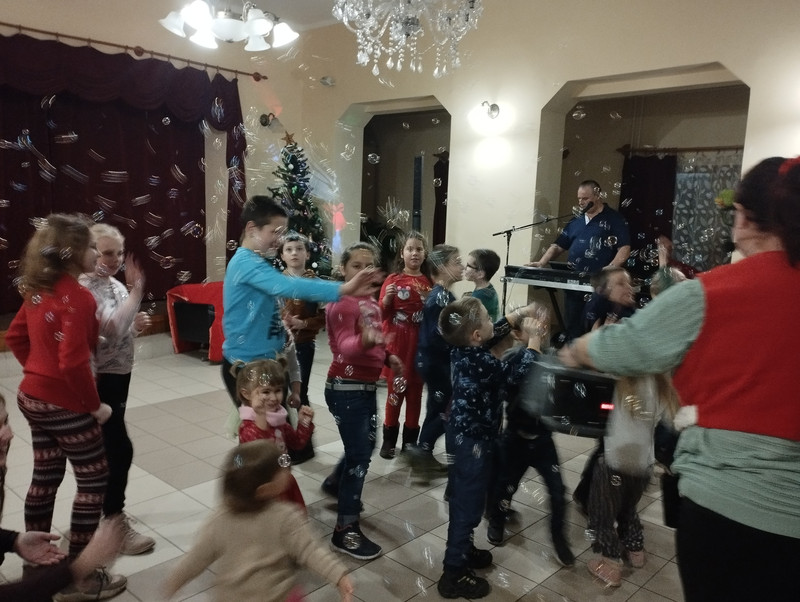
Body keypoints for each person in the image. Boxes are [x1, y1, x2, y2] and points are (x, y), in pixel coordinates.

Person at [558, 157, 800, 601]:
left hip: (727, 503)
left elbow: (625, 346)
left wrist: (576, 349)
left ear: (746, 218)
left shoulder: (710, 293)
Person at [5, 213, 127, 600]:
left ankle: (36, 564)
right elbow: (73, 363)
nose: (96, 252)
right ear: (72, 253)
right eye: (90, 246)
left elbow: (15, 337)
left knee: (45, 477)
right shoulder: (79, 297)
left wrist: (38, 374)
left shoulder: (38, 290)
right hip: (65, 404)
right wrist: (94, 406)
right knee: (93, 479)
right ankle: (80, 576)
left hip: (31, 397)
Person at [221, 196, 382, 407]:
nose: (280, 239)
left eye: (282, 233)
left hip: (268, 364)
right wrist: (344, 288)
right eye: (275, 232)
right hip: (248, 368)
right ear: (252, 229)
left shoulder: (258, 261)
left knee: (283, 425)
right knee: (262, 428)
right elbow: (287, 285)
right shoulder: (245, 263)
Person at [436, 297, 548, 599]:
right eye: (487, 318)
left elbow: (492, 333)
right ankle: (453, 572)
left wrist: (520, 314)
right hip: (472, 441)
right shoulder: (481, 362)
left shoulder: (463, 349)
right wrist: (534, 341)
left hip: (465, 436)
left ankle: (464, 548)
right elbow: (514, 376)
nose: (492, 321)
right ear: (476, 335)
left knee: (467, 497)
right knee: (468, 504)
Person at [162, 440, 354, 602]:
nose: (288, 469)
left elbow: (196, 557)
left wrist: (173, 582)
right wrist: (338, 575)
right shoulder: (284, 516)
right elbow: (310, 550)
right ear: (265, 489)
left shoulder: (218, 519)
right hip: (277, 596)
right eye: (282, 468)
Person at [321, 242, 402, 560]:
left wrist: (388, 355)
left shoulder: (369, 303)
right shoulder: (341, 303)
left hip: (363, 388)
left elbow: (374, 343)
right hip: (346, 389)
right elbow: (345, 347)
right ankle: (345, 530)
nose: (365, 272)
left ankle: (334, 484)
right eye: (357, 266)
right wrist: (366, 340)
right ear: (343, 270)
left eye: (369, 266)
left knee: (365, 446)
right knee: (359, 455)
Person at [78, 223, 155, 556]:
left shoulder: (115, 285)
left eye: (119, 253)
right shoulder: (85, 287)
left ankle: (105, 516)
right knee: (118, 449)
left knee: (111, 448)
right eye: (107, 252)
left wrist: (135, 326)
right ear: (90, 251)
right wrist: (137, 291)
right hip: (100, 377)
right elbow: (110, 326)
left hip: (119, 373)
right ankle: (113, 519)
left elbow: (121, 329)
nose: (114, 259)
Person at [485, 331, 575, 568]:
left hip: (543, 440)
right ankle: (497, 519)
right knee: (506, 485)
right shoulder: (514, 357)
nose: (540, 328)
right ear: (518, 333)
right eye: (533, 324)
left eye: (543, 324)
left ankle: (559, 538)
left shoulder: (553, 357)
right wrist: (530, 351)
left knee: (558, 491)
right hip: (516, 438)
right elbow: (506, 385)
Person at [529, 180, 631, 340]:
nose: (581, 202)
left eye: (585, 198)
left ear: (597, 195)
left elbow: (624, 248)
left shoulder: (614, 218)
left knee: (594, 328)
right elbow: (558, 246)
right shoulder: (576, 220)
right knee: (573, 327)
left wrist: (609, 271)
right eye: (579, 199)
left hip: (600, 286)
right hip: (574, 283)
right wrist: (542, 262)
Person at [406, 245, 463, 469]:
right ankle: (421, 451)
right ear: (441, 267)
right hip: (435, 362)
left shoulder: (445, 295)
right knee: (446, 409)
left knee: (438, 407)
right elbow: (437, 336)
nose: (461, 266)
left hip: (434, 360)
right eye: (456, 262)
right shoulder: (439, 298)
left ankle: (423, 452)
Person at [378, 231, 432, 459]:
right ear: (402, 253)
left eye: (419, 249)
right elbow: (381, 314)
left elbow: (434, 318)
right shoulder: (392, 280)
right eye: (410, 249)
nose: (414, 253)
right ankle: (389, 440)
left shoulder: (429, 283)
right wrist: (387, 299)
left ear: (425, 254)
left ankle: (410, 442)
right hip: (398, 345)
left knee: (415, 395)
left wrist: (429, 303)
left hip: (419, 345)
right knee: (395, 393)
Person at [235, 358, 313, 510]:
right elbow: (259, 447)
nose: (274, 397)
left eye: (278, 390)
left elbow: (297, 443)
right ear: (246, 394)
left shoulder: (279, 420)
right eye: (266, 391)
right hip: (263, 488)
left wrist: (304, 422)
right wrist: (261, 416)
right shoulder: (247, 426)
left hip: (283, 482)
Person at [279, 232, 327, 464]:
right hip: (279, 346)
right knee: (279, 393)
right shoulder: (276, 282)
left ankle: (304, 444)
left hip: (303, 345)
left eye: (299, 249)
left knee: (300, 391)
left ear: (307, 254)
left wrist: (303, 324)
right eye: (289, 250)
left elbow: (324, 317)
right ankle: (283, 442)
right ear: (282, 255)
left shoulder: (315, 284)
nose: (294, 253)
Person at [464, 248, 501, 321]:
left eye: (468, 265)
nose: (464, 268)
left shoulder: (479, 297)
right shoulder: (488, 288)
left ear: (480, 274)